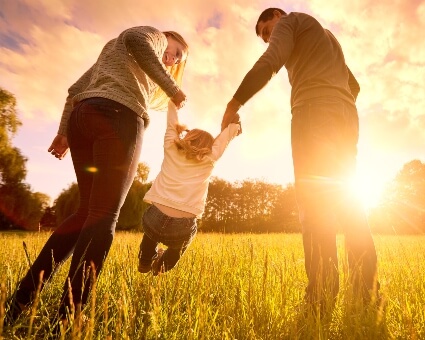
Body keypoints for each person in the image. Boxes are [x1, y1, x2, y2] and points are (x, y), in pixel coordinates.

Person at [7, 26, 189, 325]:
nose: (172, 59)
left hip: (85, 118)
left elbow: (74, 91)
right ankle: (67, 319)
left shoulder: (114, 56)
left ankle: (19, 303)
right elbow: (135, 38)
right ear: (165, 39)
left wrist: (64, 132)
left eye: (178, 60)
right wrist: (173, 88)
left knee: (86, 214)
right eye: (175, 52)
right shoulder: (152, 36)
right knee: (104, 216)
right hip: (119, 118)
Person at [221, 8, 379, 311]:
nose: (269, 39)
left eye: (268, 31)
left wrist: (234, 102)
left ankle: (320, 299)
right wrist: (335, 102)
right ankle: (366, 295)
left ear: (278, 16)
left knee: (315, 204)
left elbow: (270, 62)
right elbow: (354, 86)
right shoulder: (327, 36)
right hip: (346, 116)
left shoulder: (290, 22)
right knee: (350, 204)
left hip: (313, 113)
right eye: (266, 37)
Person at [138, 101, 240, 275]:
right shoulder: (210, 159)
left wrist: (173, 102)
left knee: (150, 235)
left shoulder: (171, 147)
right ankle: (161, 267)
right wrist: (234, 125)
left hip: (154, 217)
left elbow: (171, 123)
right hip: (182, 226)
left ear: (187, 137)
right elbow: (224, 139)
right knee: (179, 247)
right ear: (209, 147)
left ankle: (145, 261)